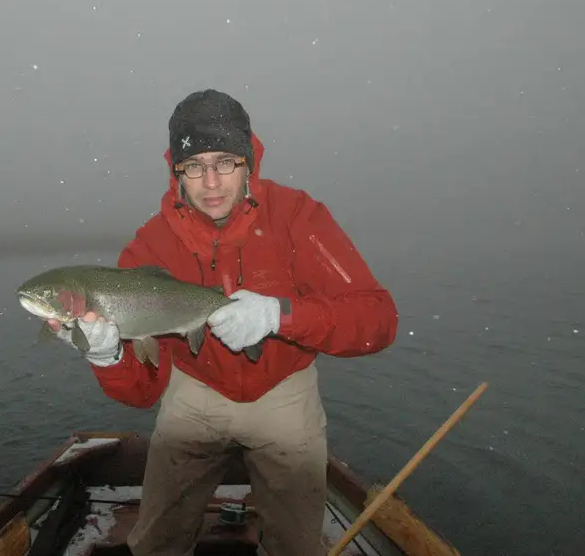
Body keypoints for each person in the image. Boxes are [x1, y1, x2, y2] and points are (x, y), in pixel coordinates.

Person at [48, 89, 398, 556]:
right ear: (177, 171)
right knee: (156, 539)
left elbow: (377, 319)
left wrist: (281, 315)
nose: (211, 182)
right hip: (196, 392)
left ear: (249, 161)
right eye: (195, 166)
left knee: (297, 543)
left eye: (226, 162)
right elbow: (142, 392)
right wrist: (108, 356)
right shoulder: (150, 247)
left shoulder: (298, 217)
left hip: (284, 393)